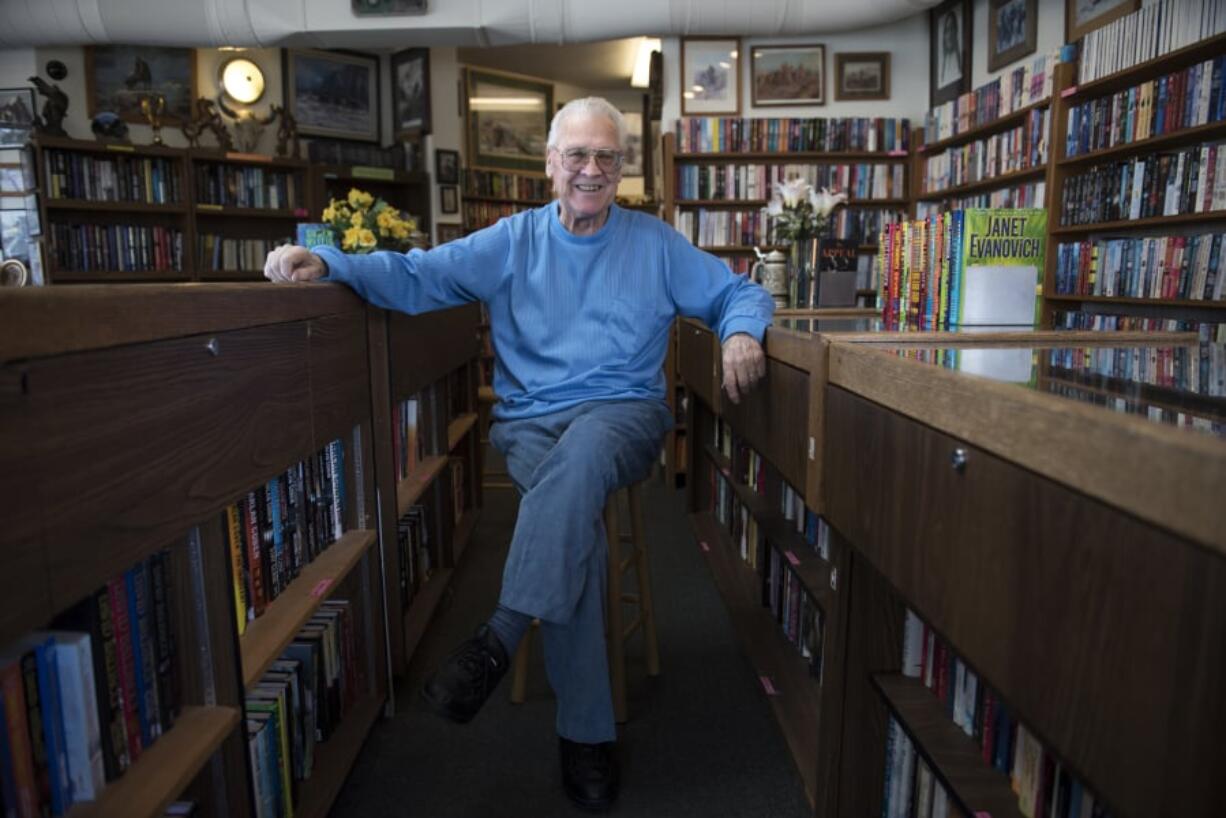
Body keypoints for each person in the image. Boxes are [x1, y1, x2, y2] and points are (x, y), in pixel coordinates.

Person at [264, 96, 772, 811]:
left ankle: (502, 635)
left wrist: (743, 332)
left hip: (622, 419)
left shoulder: (654, 243)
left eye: (606, 157)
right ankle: (584, 735)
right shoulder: (511, 241)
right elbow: (418, 276)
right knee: (576, 534)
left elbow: (735, 293)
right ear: (549, 165)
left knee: (588, 452)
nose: (590, 170)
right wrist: (329, 260)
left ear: (623, 168)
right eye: (577, 155)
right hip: (531, 426)